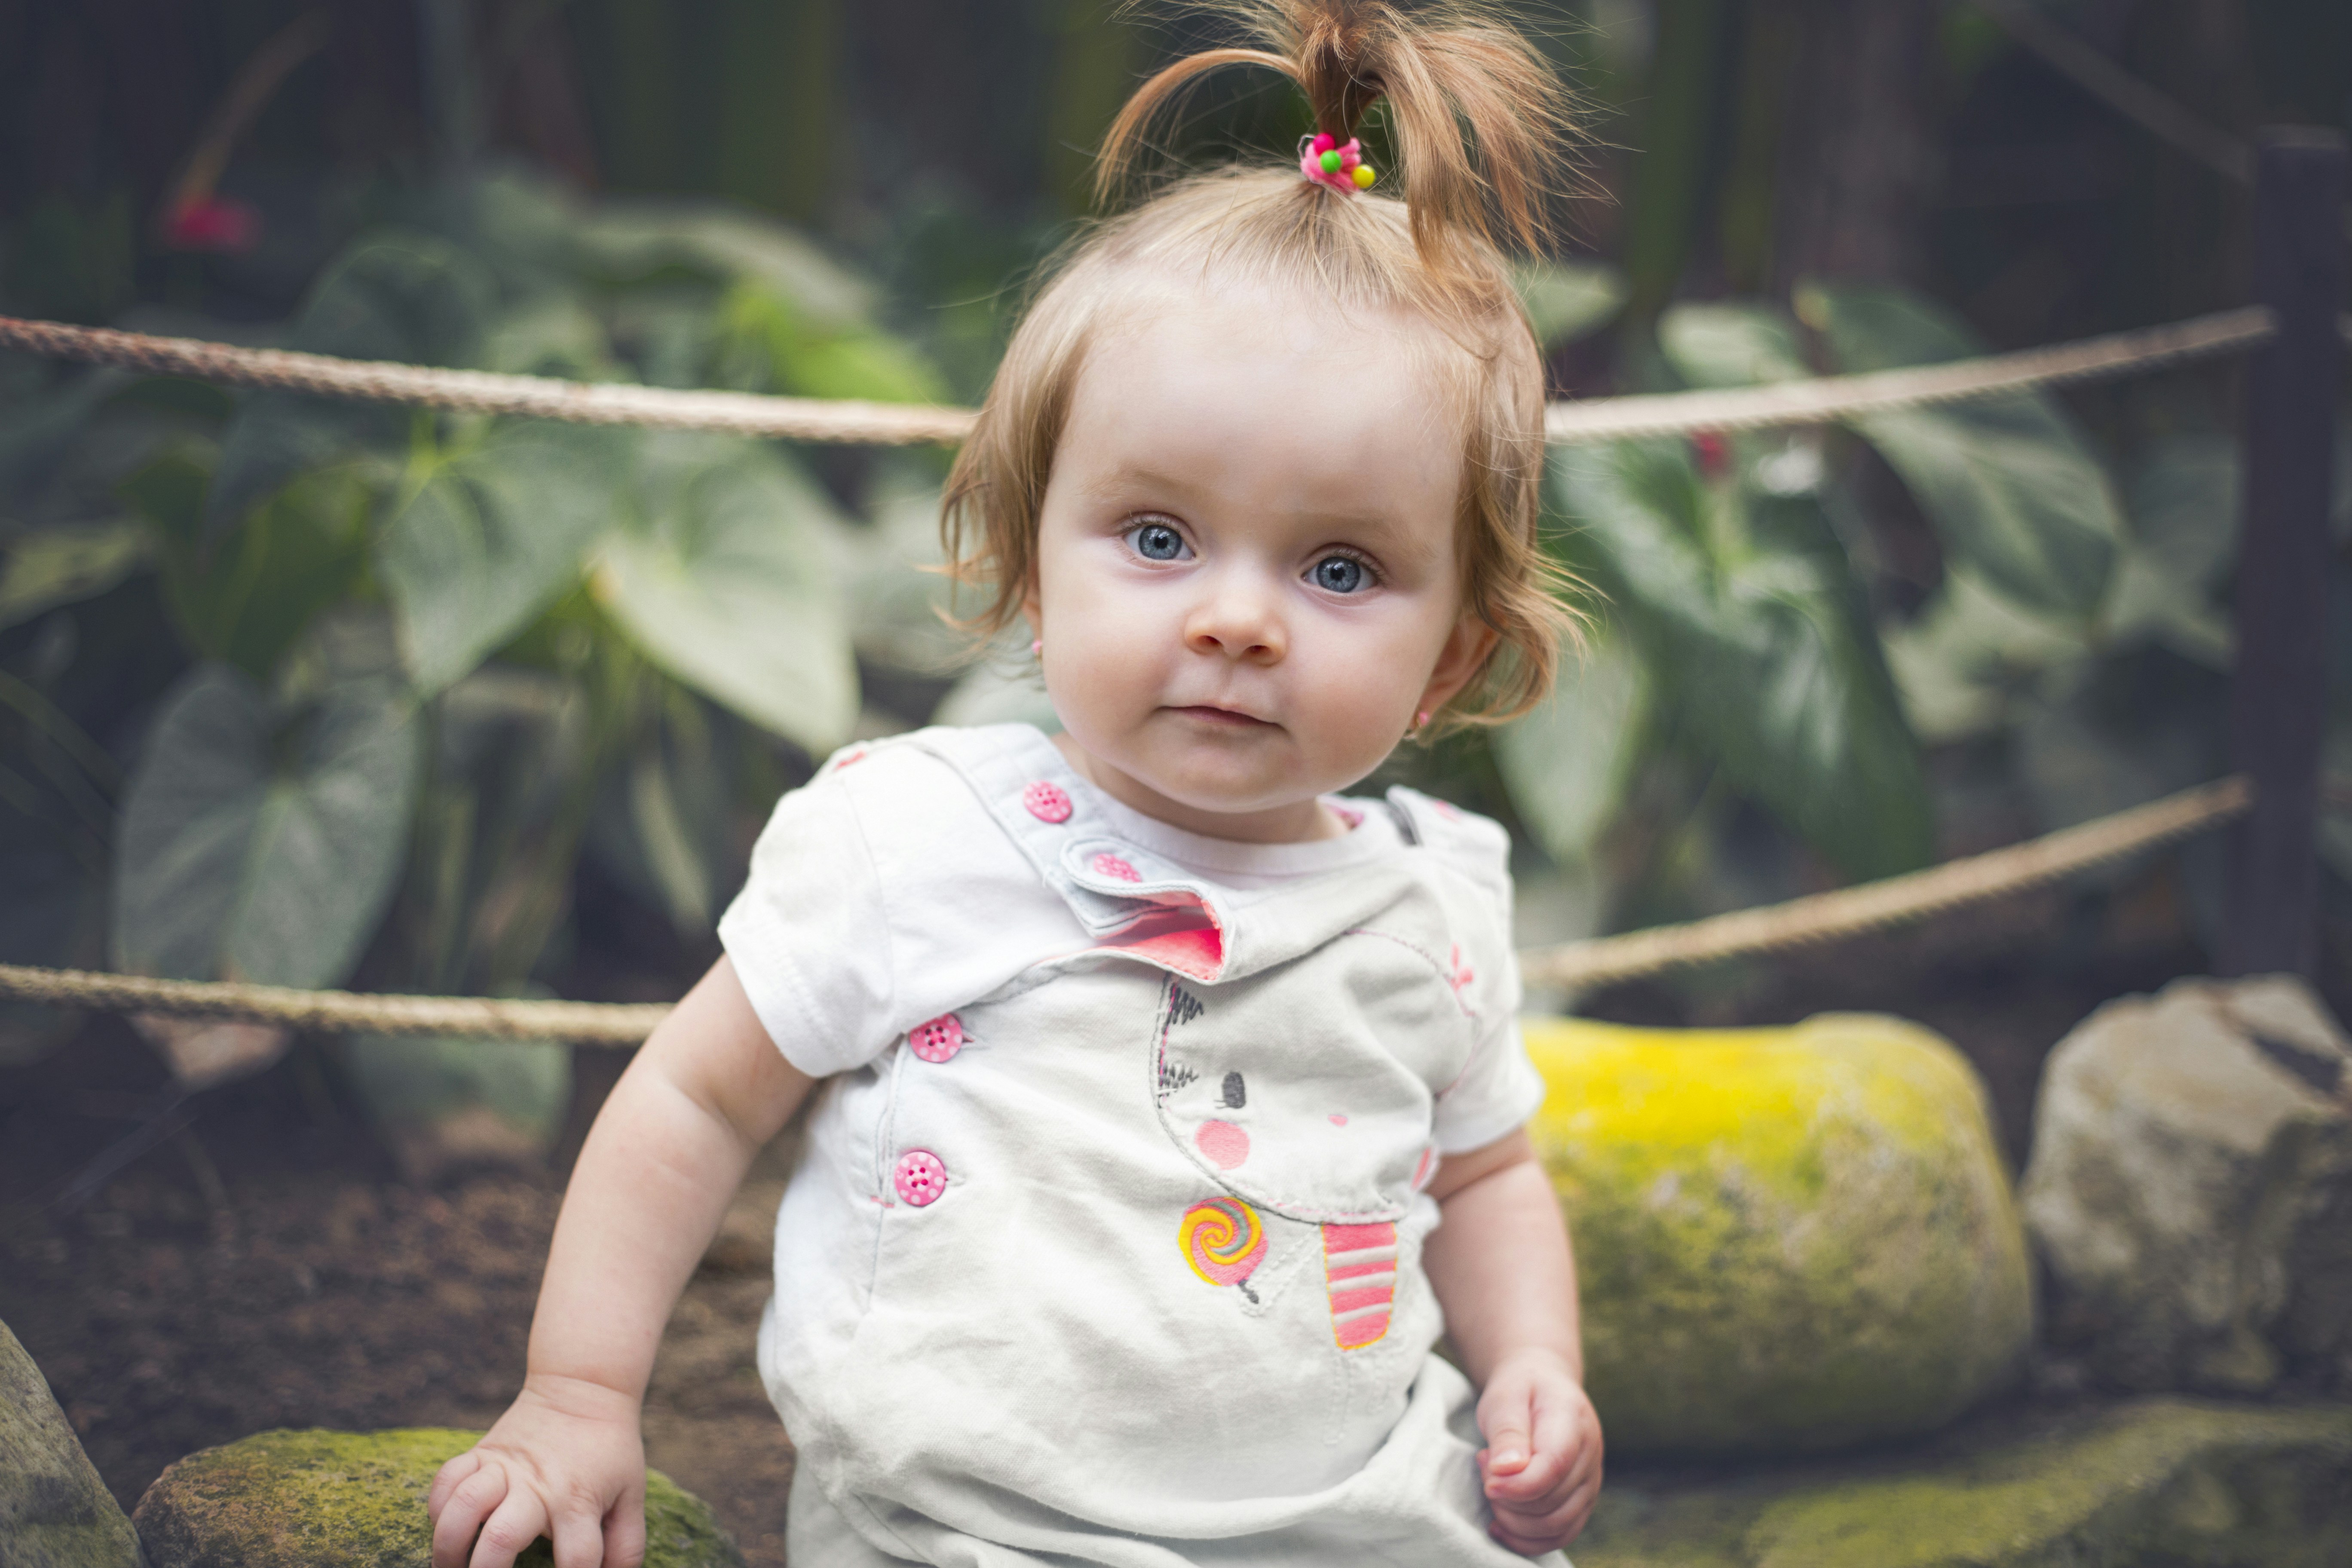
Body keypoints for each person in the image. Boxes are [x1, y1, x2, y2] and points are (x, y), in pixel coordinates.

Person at [427, 2, 1602, 1563]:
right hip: (978, 1530)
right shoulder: (915, 841)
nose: (1236, 618)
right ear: (1035, 571)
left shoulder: (1428, 905)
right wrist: (579, 1393)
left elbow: (1493, 1171)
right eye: (1162, 537)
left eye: (1340, 565)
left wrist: (1534, 1366)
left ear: (1452, 657)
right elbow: (695, 1100)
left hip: (1360, 1529)